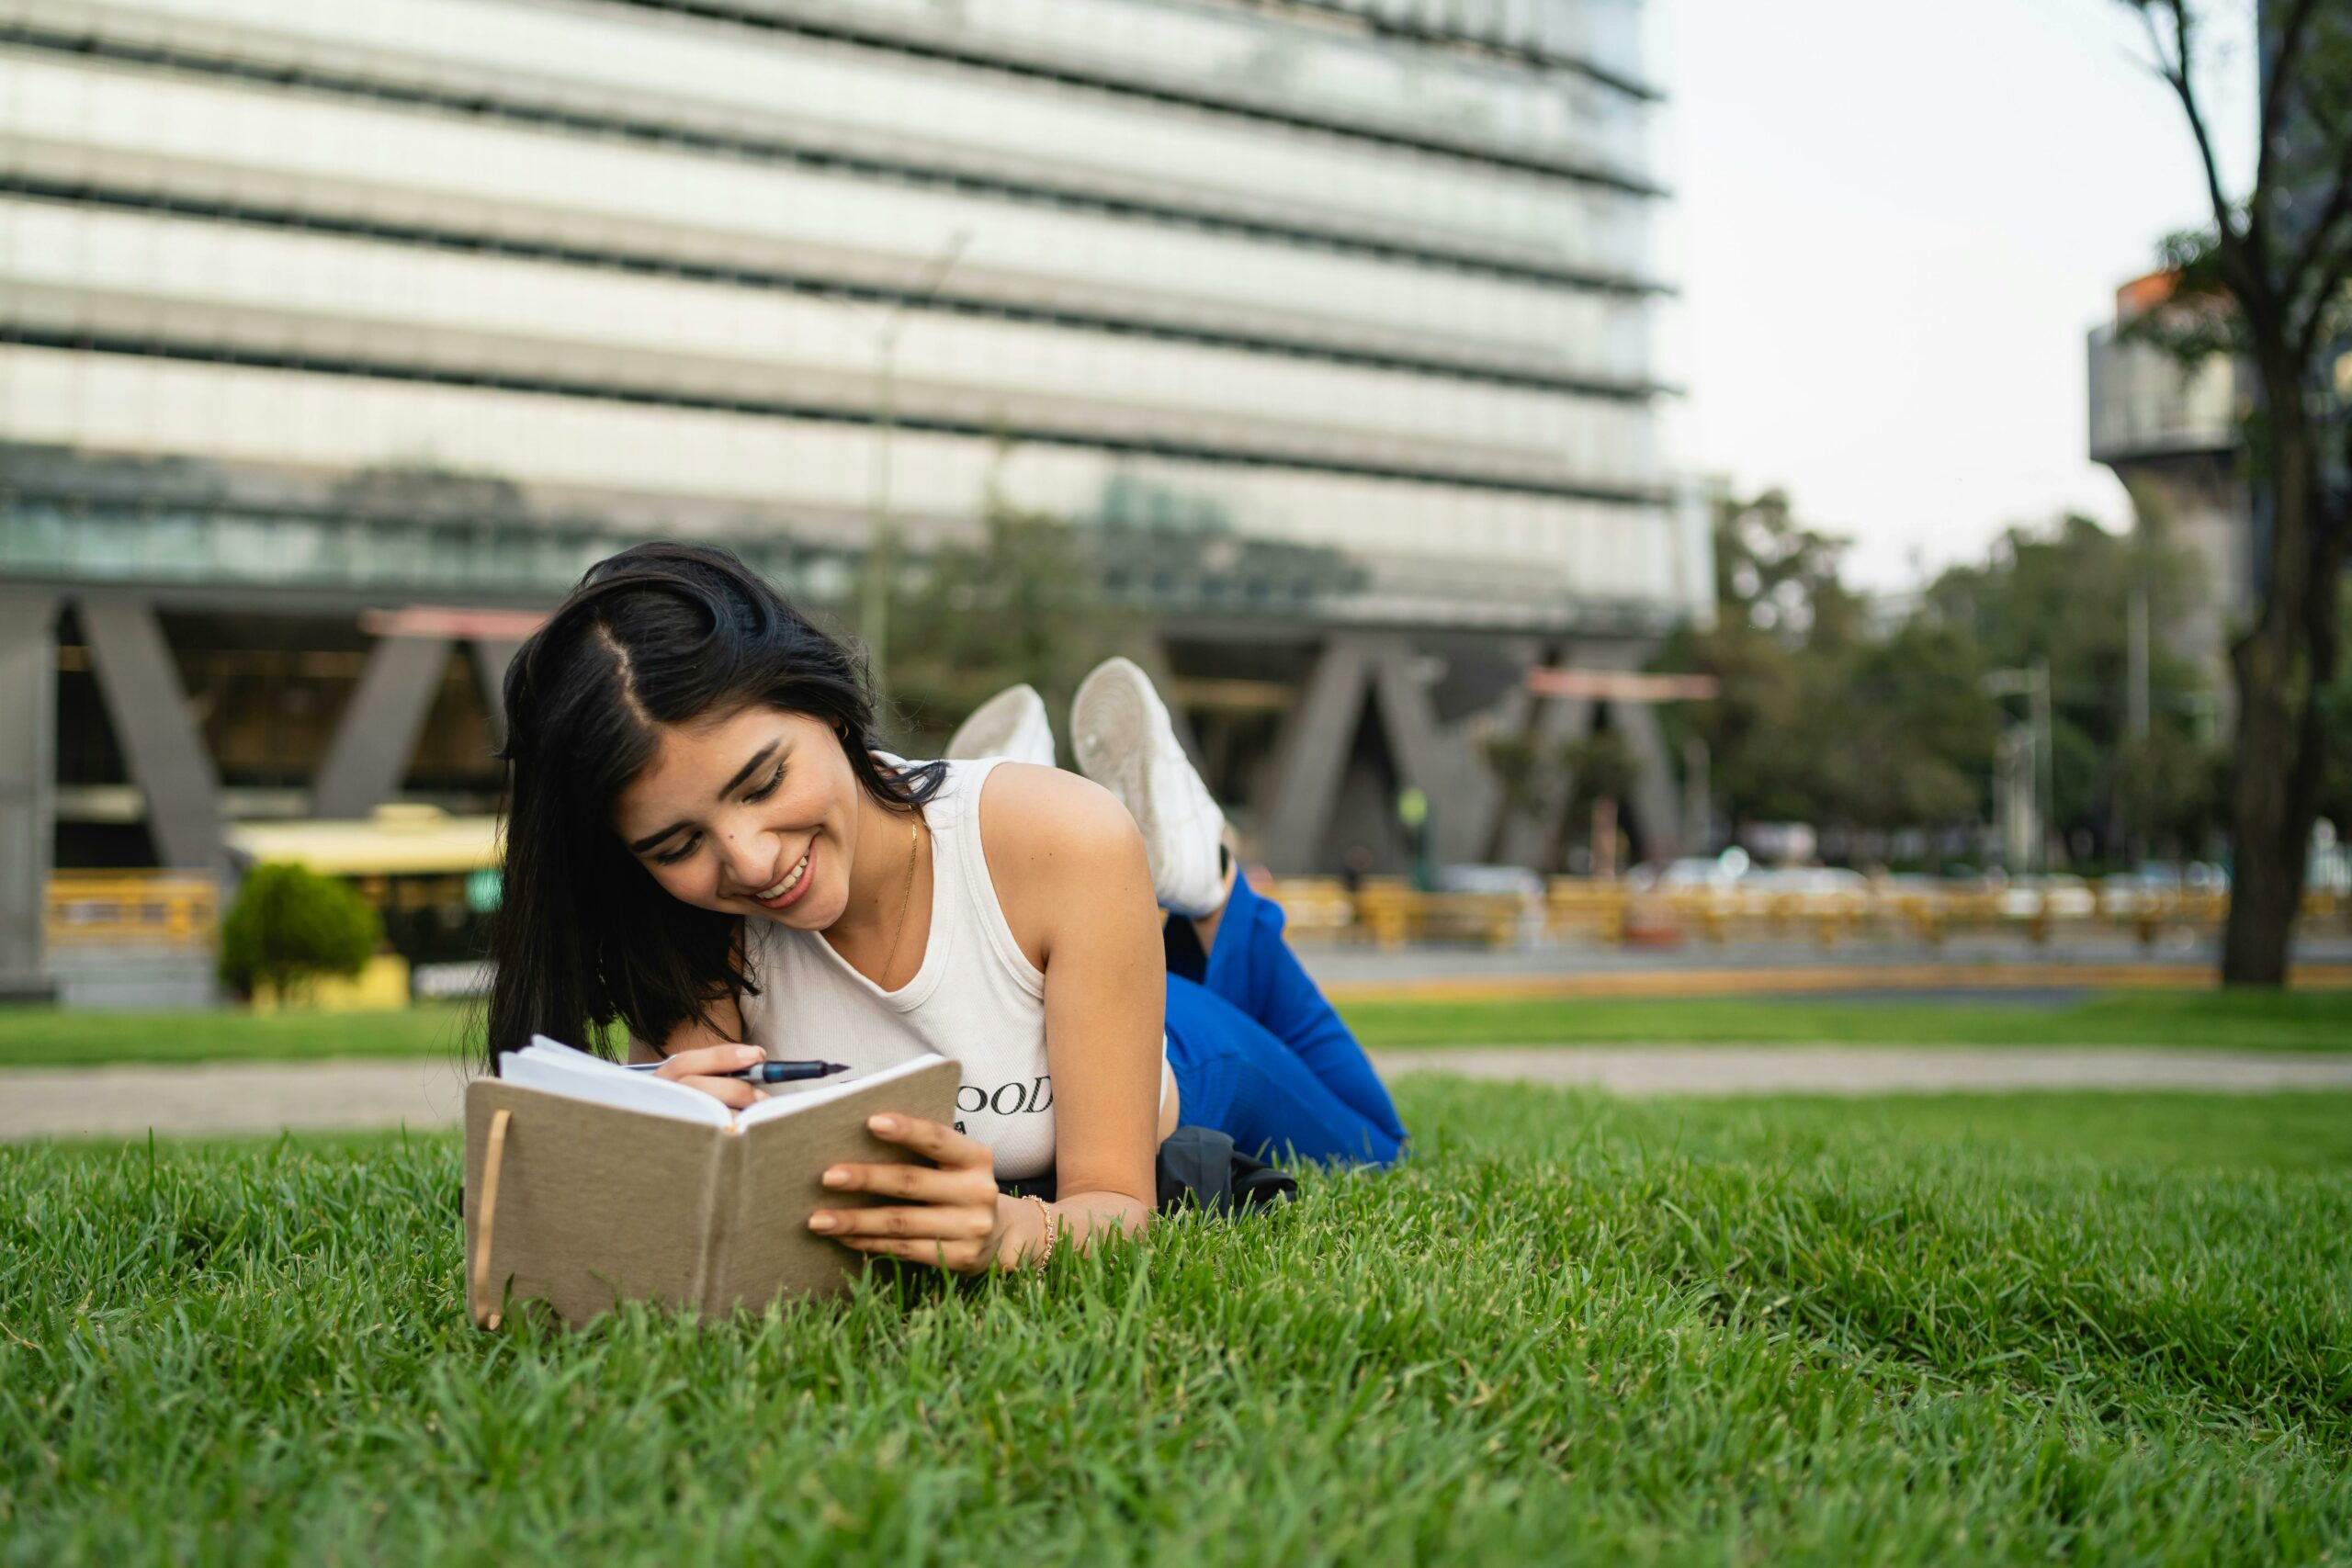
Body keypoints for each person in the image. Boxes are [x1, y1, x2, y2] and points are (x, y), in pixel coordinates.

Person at [486, 543, 1407, 1276]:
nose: (752, 861)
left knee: (1377, 1150)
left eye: (764, 781)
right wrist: (657, 1149)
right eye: (677, 844)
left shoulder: (1070, 841)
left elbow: (1116, 1208)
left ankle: (1202, 885)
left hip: (1173, 1053)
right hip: (1034, 941)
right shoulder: (680, 934)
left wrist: (1010, 1231)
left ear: (828, 706)